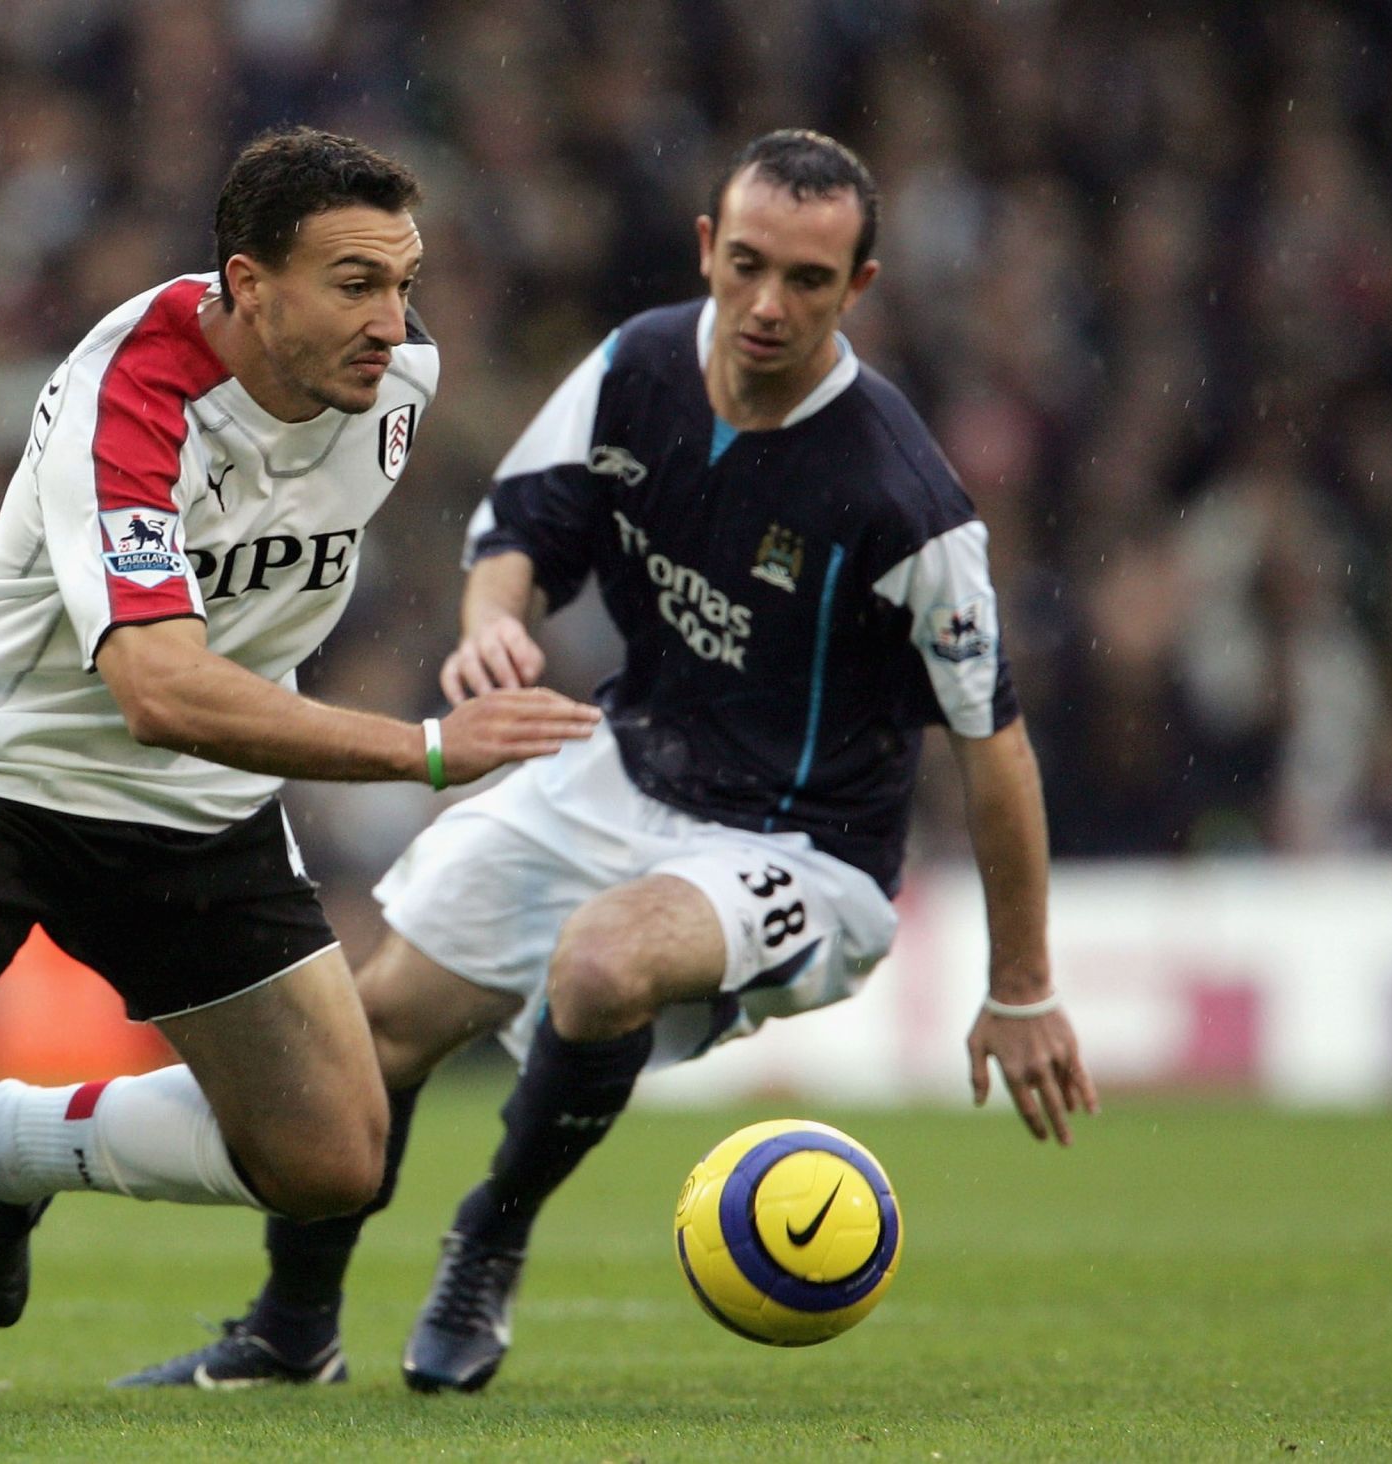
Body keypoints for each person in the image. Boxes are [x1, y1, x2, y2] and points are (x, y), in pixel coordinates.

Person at [111, 129, 1099, 1395]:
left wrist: (1020, 986)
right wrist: (490, 627)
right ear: (706, 250)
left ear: (859, 289)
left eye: (807, 280)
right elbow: (521, 529)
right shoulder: (637, 367)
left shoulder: (903, 498)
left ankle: (490, 1242)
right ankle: (292, 1330)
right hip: (625, 770)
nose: (766, 304)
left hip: (805, 848)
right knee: (376, 1032)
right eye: (746, 265)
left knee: (605, 962)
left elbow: (992, 740)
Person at [0, 126, 599, 1414]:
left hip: (196, 808)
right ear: (248, 286)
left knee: (334, 1159)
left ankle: (5, 1144)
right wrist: (426, 751)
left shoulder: (395, 387)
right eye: (357, 283)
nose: (395, 321)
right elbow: (159, 688)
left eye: (404, 282)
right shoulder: (130, 394)